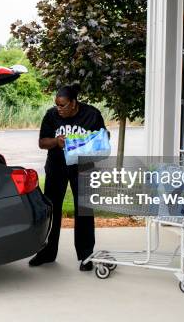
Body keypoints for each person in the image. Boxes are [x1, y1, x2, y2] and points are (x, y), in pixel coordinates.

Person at [29, 84, 107, 271]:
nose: (59, 108)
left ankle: (86, 255)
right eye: (57, 104)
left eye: (62, 105)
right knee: (52, 208)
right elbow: (42, 142)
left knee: (84, 211)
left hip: (83, 168)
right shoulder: (51, 115)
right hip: (57, 167)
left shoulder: (92, 115)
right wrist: (56, 141)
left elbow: (103, 139)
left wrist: (88, 143)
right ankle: (47, 252)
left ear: (73, 103)